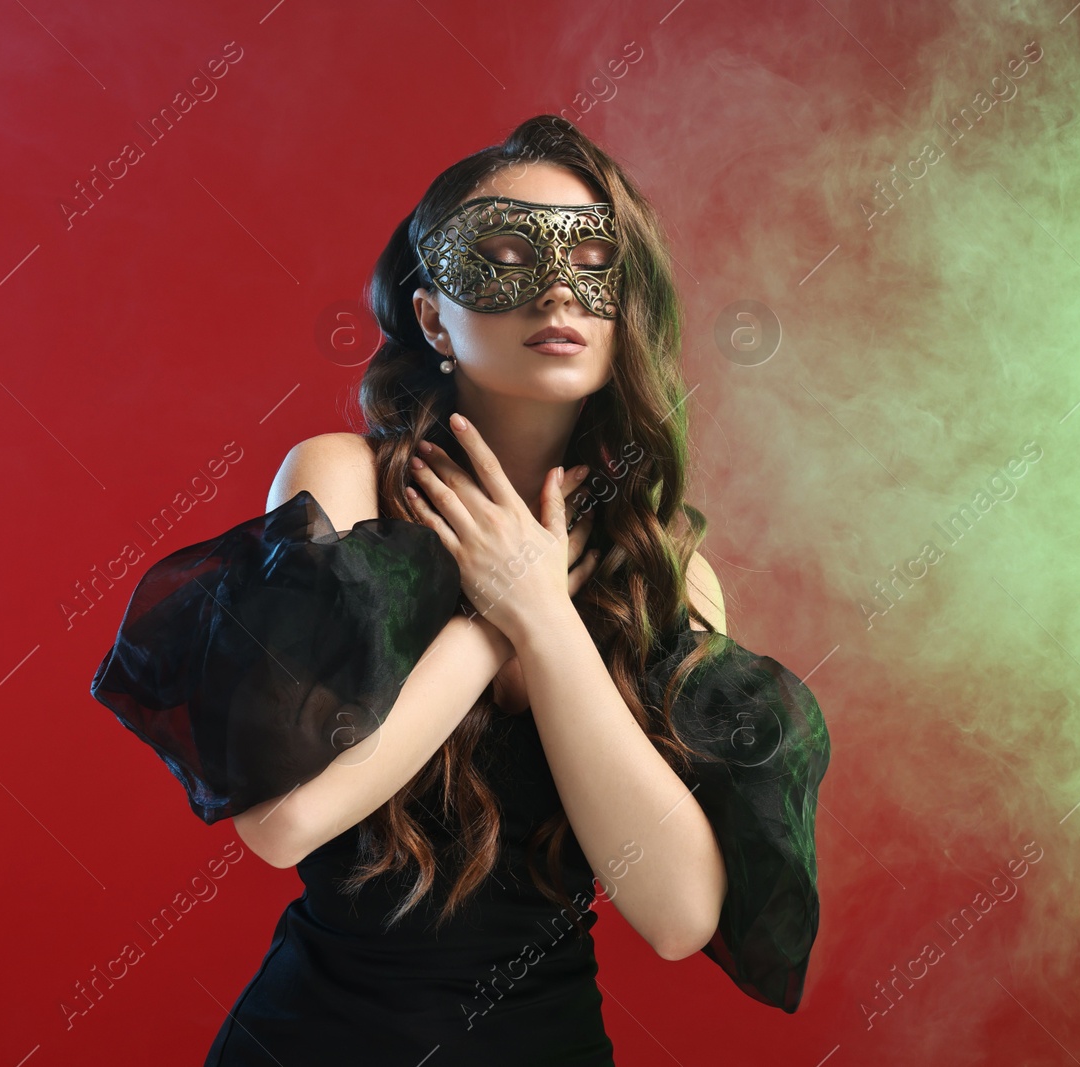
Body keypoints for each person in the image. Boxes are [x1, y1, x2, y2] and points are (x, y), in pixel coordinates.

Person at [89, 114, 832, 1067]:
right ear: (434, 315)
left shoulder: (665, 572)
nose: (559, 286)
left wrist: (542, 617)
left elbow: (681, 914)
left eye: (595, 256)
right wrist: (493, 618)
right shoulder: (345, 483)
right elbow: (284, 824)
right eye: (507, 253)